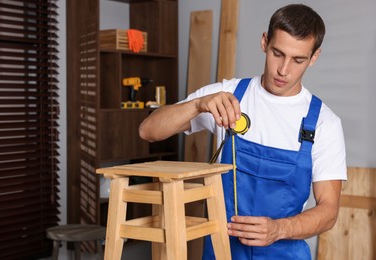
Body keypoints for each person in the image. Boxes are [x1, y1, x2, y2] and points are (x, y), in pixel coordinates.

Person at [139, 3, 347, 260]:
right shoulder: (227, 95)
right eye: (277, 53)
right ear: (264, 42)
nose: (283, 70)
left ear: (314, 57)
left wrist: (278, 229)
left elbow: (329, 211)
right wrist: (196, 105)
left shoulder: (324, 123)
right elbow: (148, 130)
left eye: (298, 60)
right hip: (221, 252)